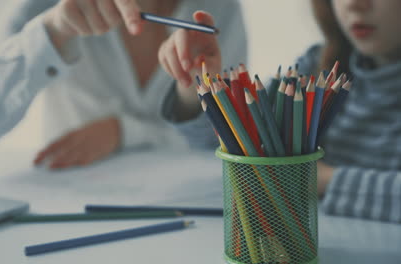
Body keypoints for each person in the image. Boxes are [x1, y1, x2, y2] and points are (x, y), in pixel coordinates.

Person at [162, 0, 401, 223]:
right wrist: (197, 81)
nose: (354, 4)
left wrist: (316, 179)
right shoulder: (319, 65)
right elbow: (230, 143)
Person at [0, 0, 247, 169]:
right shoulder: (45, 4)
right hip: (68, 203)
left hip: (184, 214)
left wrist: (190, 97)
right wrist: (52, 32)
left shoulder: (218, 9)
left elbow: (228, 142)